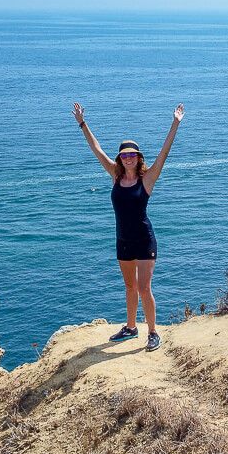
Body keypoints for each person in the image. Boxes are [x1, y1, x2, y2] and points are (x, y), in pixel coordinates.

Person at [72, 101, 184, 351]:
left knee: (144, 288)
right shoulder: (115, 176)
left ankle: (153, 332)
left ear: (139, 157)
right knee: (130, 286)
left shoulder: (147, 179)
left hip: (144, 240)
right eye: (124, 155)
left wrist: (174, 124)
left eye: (132, 154)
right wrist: (82, 123)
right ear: (120, 159)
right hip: (123, 240)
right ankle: (131, 327)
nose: (128, 158)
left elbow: (164, 154)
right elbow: (96, 149)